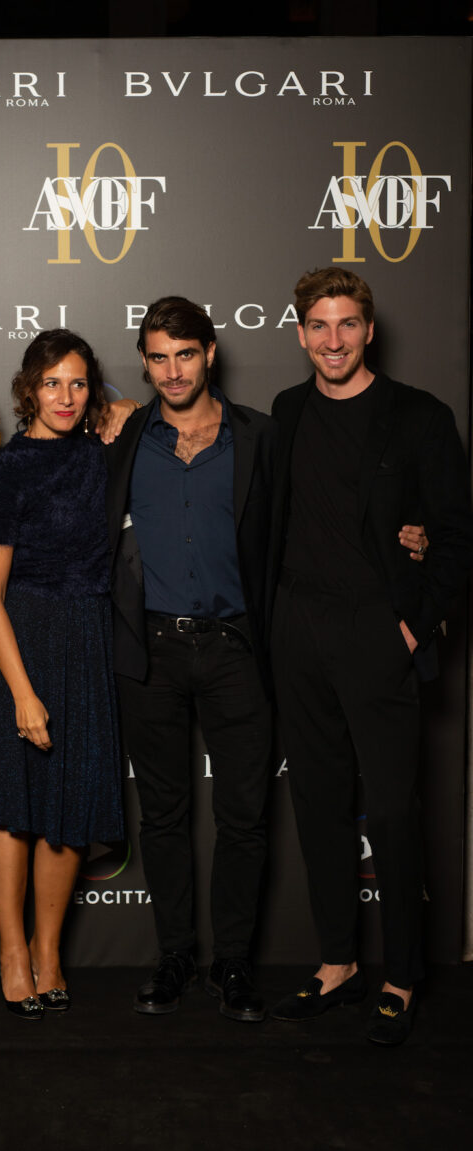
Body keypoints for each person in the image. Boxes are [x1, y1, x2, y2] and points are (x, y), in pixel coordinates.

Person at [269, 267, 473, 1045]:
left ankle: (402, 974)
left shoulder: (419, 415)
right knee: (319, 804)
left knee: (389, 811)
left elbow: (455, 535)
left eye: (347, 323)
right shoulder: (287, 411)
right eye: (319, 325)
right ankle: (338, 963)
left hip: (376, 631)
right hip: (299, 628)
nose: (334, 340)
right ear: (300, 334)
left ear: (369, 330)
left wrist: (412, 626)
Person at [104, 296, 276, 1021]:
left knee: (244, 815)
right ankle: (174, 954)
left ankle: (233, 961)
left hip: (237, 645)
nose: (173, 371)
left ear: (209, 353)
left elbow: (317, 519)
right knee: (164, 815)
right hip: (151, 649)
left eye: (185, 354)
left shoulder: (260, 436)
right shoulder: (121, 436)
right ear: (144, 364)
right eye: (158, 357)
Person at [0, 330, 126, 1020]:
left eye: (79, 383)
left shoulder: (101, 453)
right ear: (29, 388)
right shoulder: (7, 469)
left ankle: (48, 951)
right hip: (18, 640)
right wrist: (22, 693)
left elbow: (165, 408)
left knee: (71, 801)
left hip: (86, 639)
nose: (66, 396)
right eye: (52, 382)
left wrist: (121, 410)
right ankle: (11, 951)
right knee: (13, 802)